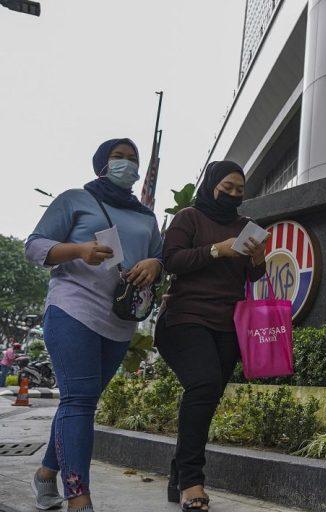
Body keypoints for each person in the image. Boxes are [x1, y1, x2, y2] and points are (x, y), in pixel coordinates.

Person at [25, 138, 163, 512]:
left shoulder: (146, 217)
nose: (127, 164)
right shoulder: (75, 199)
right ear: (101, 162)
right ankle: (78, 497)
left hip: (119, 320)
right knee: (79, 400)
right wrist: (79, 250)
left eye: (132, 158)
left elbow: (159, 257)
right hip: (73, 308)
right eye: (118, 157)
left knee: (81, 401)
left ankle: (45, 474)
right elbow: (34, 246)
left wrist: (154, 264)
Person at [155, 160, 267, 511]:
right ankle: (192, 481)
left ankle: (178, 476)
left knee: (206, 398)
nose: (233, 194)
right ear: (212, 185)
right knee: (203, 385)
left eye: (239, 190)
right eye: (227, 187)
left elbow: (252, 277)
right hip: (185, 318)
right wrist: (218, 249)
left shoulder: (245, 225)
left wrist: (258, 258)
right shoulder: (189, 217)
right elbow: (171, 261)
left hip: (228, 324)